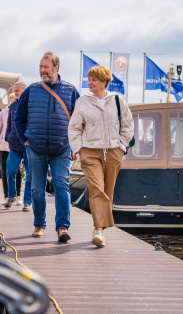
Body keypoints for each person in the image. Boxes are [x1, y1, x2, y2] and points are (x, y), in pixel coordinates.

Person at [15, 51, 80, 242]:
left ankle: (62, 227)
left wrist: (74, 145)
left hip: (62, 149)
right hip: (35, 148)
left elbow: (79, 120)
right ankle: (39, 224)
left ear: (56, 68)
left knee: (62, 186)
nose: (42, 71)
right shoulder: (31, 90)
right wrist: (25, 140)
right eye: (40, 67)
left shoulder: (70, 90)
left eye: (46, 67)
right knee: (36, 189)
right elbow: (19, 117)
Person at [68, 65, 133, 247]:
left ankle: (101, 229)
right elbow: (74, 127)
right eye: (89, 80)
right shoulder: (83, 102)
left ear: (104, 82)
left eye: (94, 80)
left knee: (108, 192)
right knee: (97, 188)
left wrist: (121, 145)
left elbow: (128, 124)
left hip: (113, 152)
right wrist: (78, 148)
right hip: (90, 151)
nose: (89, 83)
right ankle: (98, 230)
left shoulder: (118, 100)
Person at [5, 81, 32, 211]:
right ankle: (11, 196)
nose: (15, 93)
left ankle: (27, 201)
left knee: (30, 174)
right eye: (14, 91)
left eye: (17, 91)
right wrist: (7, 136)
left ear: (24, 90)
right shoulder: (13, 105)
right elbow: (9, 123)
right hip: (14, 145)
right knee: (10, 170)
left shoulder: (31, 104)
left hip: (28, 145)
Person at [0, 93, 22, 205]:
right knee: (5, 171)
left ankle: (18, 196)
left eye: (15, 100)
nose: (13, 102)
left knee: (18, 171)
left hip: (17, 146)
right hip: (4, 146)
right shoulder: (3, 113)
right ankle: (7, 196)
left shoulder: (21, 111)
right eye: (12, 100)